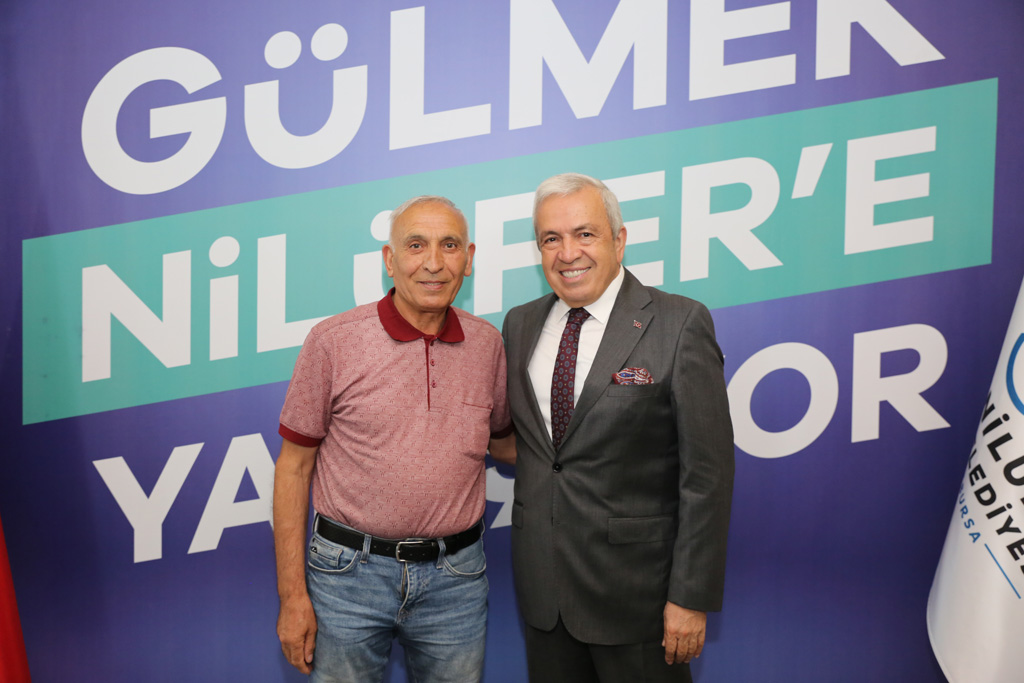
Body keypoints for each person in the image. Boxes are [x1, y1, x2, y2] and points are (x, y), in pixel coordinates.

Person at [502, 173, 734, 682]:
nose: (568, 253)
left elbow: (707, 476)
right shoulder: (519, 324)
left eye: (584, 234)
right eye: (551, 239)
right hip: (544, 596)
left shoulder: (678, 323)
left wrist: (689, 597)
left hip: (639, 600)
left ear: (619, 239)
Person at [273, 195, 515, 682]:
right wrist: (292, 596)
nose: (434, 262)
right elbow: (294, 468)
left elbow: (506, 446)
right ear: (390, 259)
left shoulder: (488, 344)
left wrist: (596, 446)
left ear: (468, 258)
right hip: (347, 579)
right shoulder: (333, 341)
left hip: (457, 582)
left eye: (449, 245)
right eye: (416, 245)